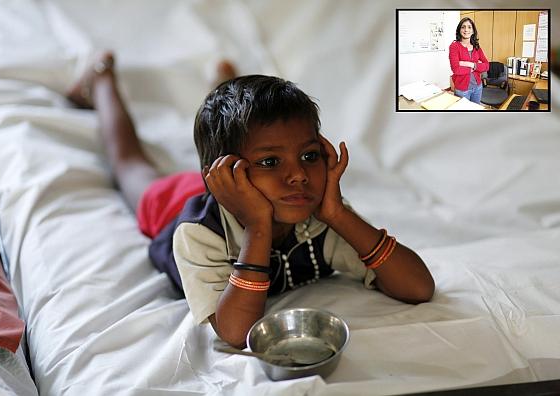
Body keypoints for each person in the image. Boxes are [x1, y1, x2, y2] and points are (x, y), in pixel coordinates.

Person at [67, 52, 435, 348]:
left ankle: (222, 86)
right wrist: (259, 227)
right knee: (131, 165)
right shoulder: (198, 233)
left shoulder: (321, 215)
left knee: (233, 128)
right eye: (271, 161)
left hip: (230, 182)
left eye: (309, 155)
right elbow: (235, 331)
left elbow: (418, 288)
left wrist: (339, 214)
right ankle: (100, 81)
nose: (299, 175)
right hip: (174, 205)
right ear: (225, 173)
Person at [449, 17, 489, 104]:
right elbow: (456, 69)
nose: (466, 30)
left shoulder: (476, 47)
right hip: (462, 90)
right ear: (459, 30)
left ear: (473, 31)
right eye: (463, 27)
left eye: (469, 27)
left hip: (478, 87)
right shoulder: (454, 46)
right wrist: (477, 66)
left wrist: (468, 64)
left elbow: (486, 65)